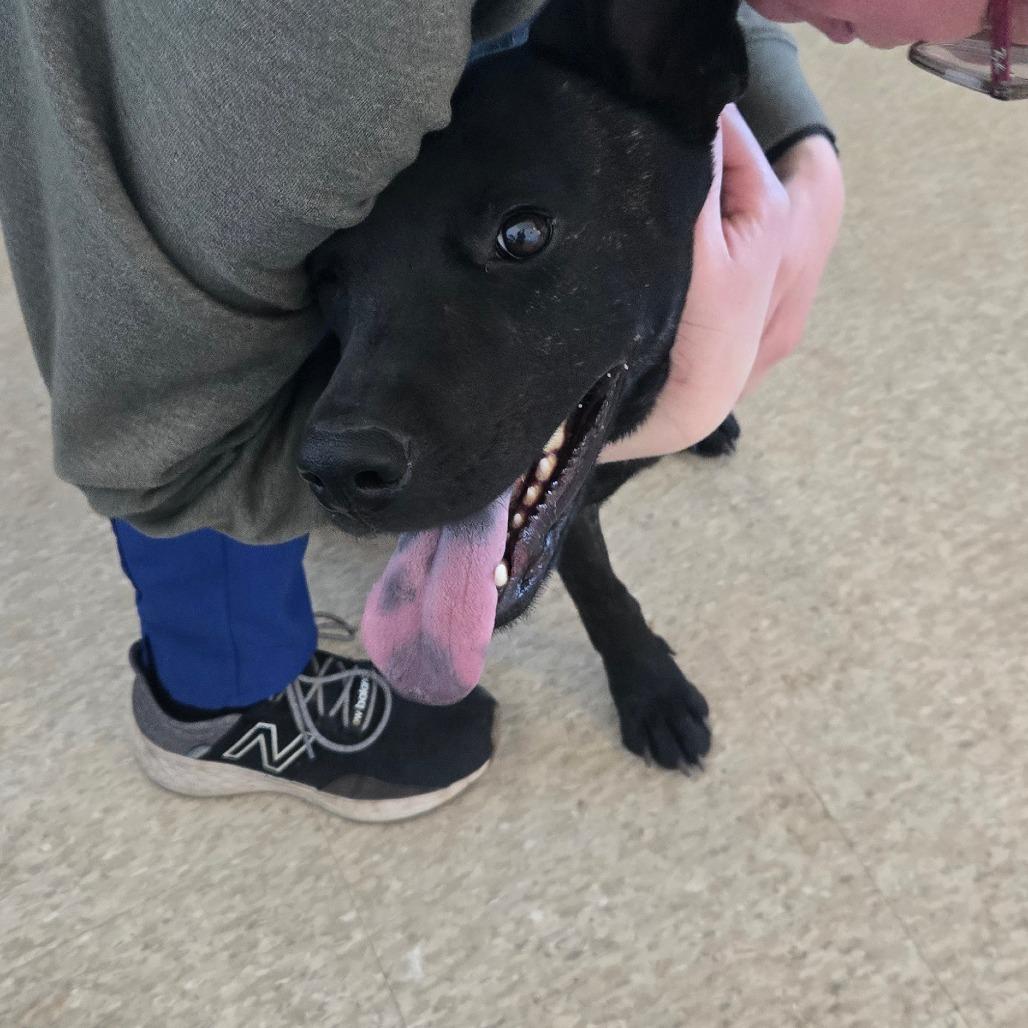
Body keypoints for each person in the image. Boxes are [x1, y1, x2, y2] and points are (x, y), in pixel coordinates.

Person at [0, 1, 840, 820]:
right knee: (263, 467)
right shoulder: (311, 77)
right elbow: (159, 447)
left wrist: (799, 143)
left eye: (520, 239)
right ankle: (221, 700)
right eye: (337, 279)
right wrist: (674, 415)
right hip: (193, 151)